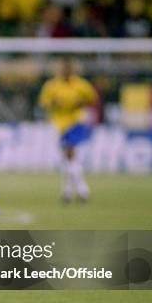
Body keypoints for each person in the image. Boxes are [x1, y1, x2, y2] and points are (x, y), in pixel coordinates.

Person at [38, 57, 98, 203]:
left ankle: (83, 190)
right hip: (59, 124)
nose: (67, 71)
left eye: (69, 69)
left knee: (69, 154)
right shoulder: (52, 85)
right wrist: (54, 103)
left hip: (76, 121)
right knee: (69, 159)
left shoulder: (81, 84)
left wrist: (81, 103)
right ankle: (68, 191)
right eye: (64, 69)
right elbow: (44, 103)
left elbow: (93, 99)